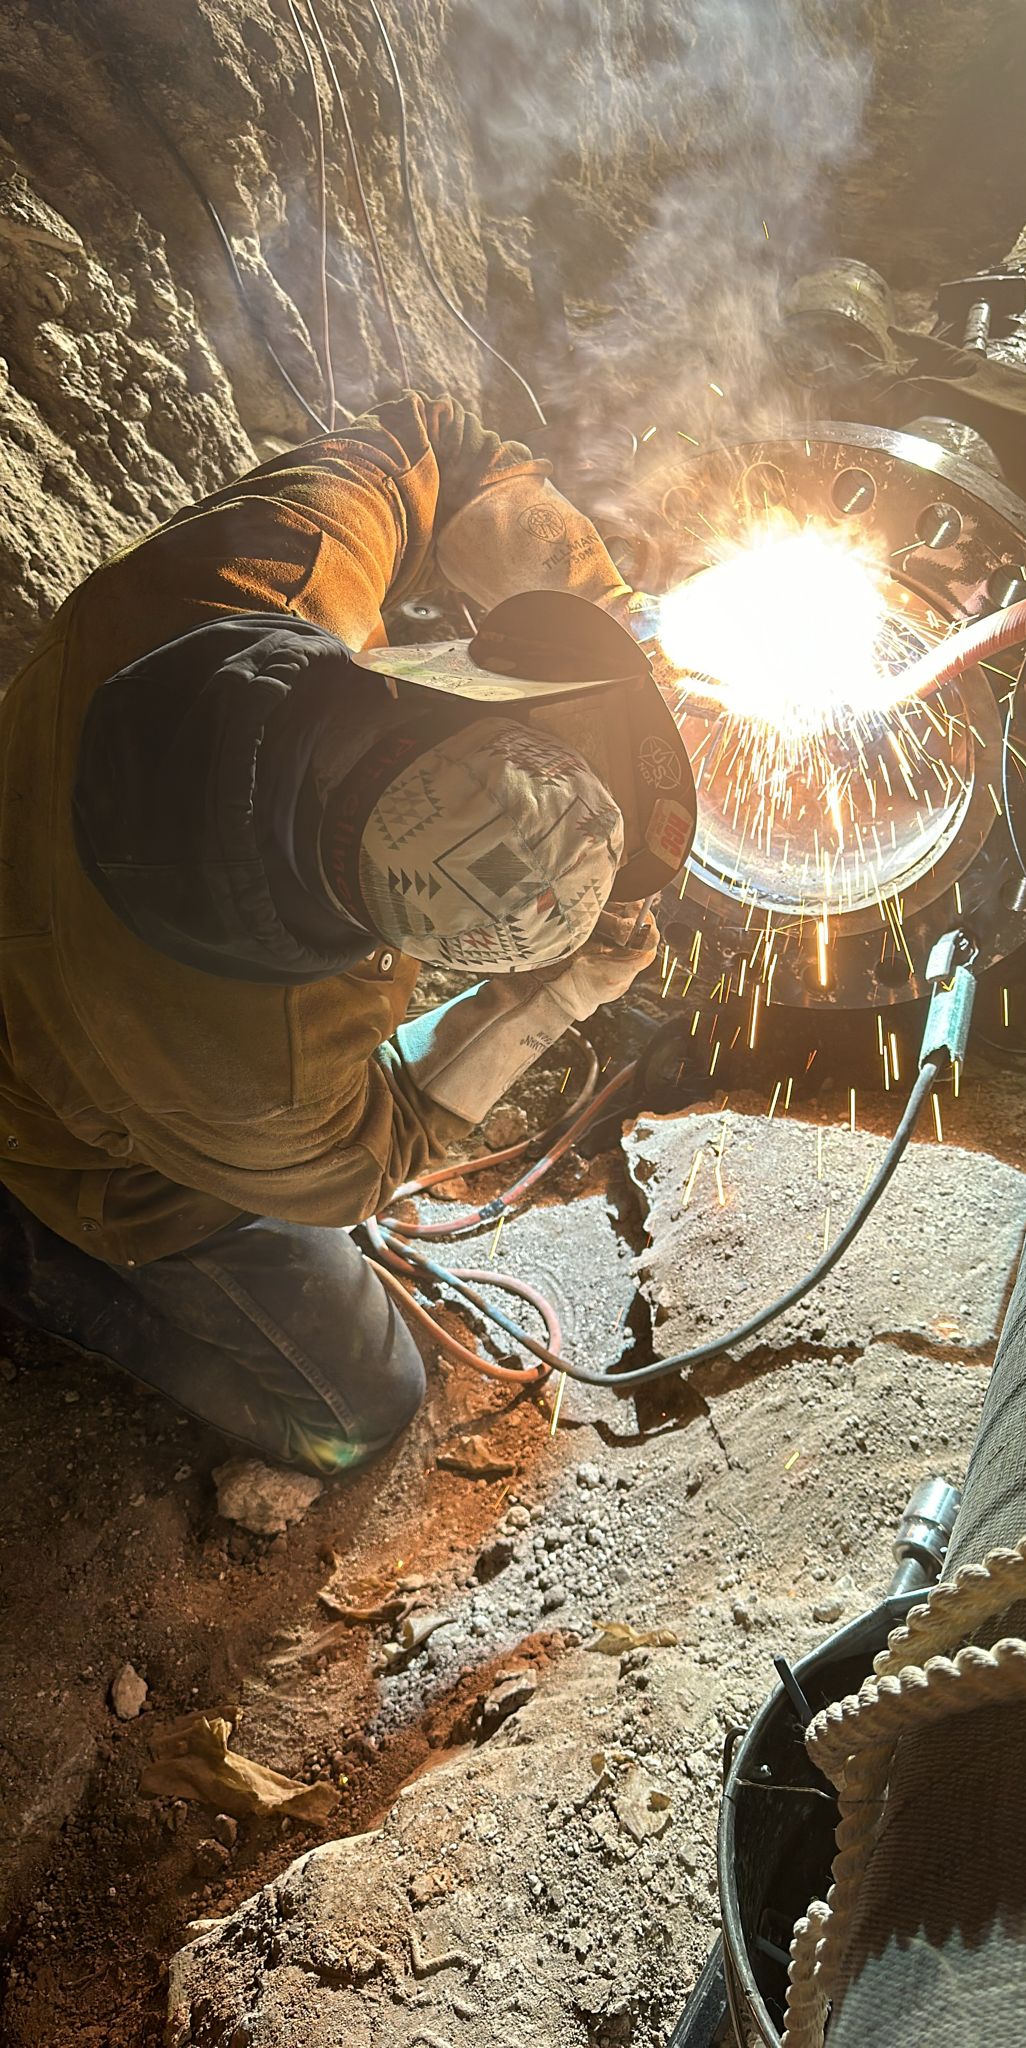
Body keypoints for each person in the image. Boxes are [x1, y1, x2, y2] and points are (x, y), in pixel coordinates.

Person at [0, 391, 695, 1475]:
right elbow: (389, 1140)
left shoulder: (252, 579)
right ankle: (37, 1266)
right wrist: (551, 997)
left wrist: (614, 625)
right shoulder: (267, 1075)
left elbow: (441, 448)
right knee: (365, 1400)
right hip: (55, 1131)